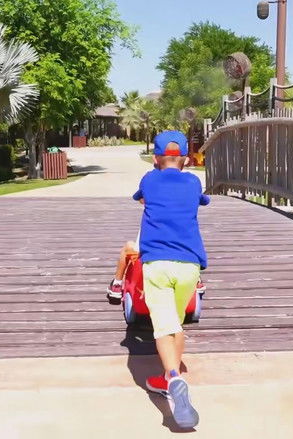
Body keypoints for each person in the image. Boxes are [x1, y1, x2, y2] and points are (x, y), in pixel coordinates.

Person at [114, 130, 209, 429]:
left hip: (158, 263)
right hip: (190, 265)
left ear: (155, 158)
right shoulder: (193, 182)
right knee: (176, 323)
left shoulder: (150, 180)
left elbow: (142, 198)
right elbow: (201, 200)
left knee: (164, 327)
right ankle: (167, 377)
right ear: (186, 159)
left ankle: (174, 378)